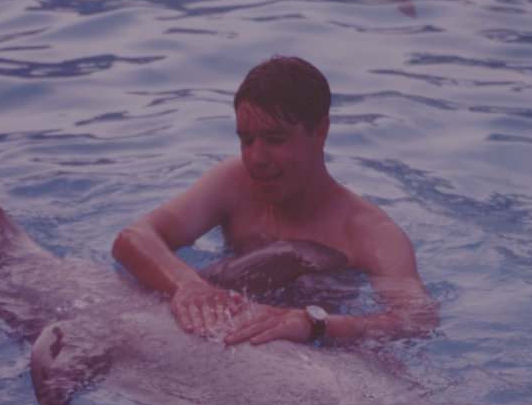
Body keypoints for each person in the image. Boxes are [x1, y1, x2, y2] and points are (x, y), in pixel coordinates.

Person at [112, 56, 438, 345]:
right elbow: (134, 237)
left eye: (275, 139)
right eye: (246, 139)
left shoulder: (371, 234)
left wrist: (316, 324)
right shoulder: (233, 183)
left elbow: (419, 318)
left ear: (320, 132)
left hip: (316, 345)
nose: (257, 158)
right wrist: (188, 284)